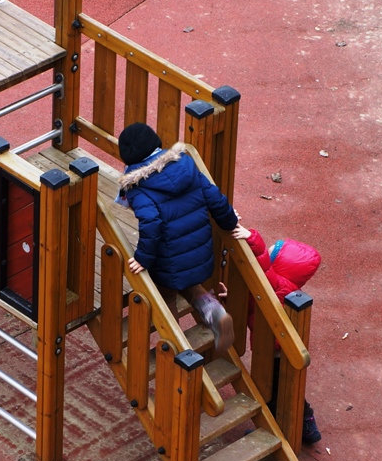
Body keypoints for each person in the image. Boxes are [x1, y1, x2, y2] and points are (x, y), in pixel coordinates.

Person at [116, 122, 238, 355]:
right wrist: (230, 223)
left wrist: (143, 258)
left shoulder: (138, 187)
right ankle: (216, 314)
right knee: (190, 284)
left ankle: (176, 346)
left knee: (166, 295)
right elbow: (215, 198)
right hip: (200, 249)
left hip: (167, 258)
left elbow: (151, 223)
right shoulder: (186, 164)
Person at [231, 221, 322, 444]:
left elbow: (261, 264)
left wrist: (250, 237)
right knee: (284, 388)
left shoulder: (277, 284)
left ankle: (285, 428)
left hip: (275, 348)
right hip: (278, 345)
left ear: (280, 266)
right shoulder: (280, 287)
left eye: (272, 253)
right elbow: (254, 300)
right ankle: (305, 423)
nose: (267, 252)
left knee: (273, 390)